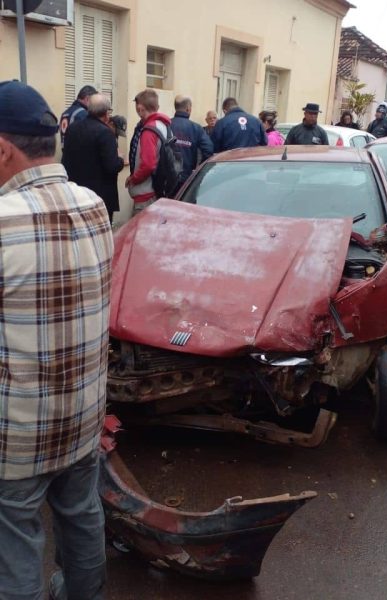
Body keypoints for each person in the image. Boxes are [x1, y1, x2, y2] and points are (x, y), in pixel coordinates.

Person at [0, 79, 113, 600]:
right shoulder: (93, 206)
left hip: (16, 433)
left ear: (3, 149)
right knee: (82, 513)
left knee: (15, 540)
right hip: (83, 415)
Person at [62, 93, 124, 224]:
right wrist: (120, 160)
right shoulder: (105, 133)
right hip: (99, 198)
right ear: (107, 113)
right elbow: (112, 166)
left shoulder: (72, 128)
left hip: (76, 195)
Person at [125, 88, 172, 214]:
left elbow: (148, 165)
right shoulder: (163, 125)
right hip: (157, 189)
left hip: (146, 195)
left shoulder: (148, 130)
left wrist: (133, 179)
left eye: (137, 108)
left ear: (140, 108)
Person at [171, 95, 214, 187]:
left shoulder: (166, 125)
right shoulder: (196, 128)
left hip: (167, 178)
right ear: (188, 109)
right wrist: (199, 168)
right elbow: (209, 149)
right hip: (187, 178)